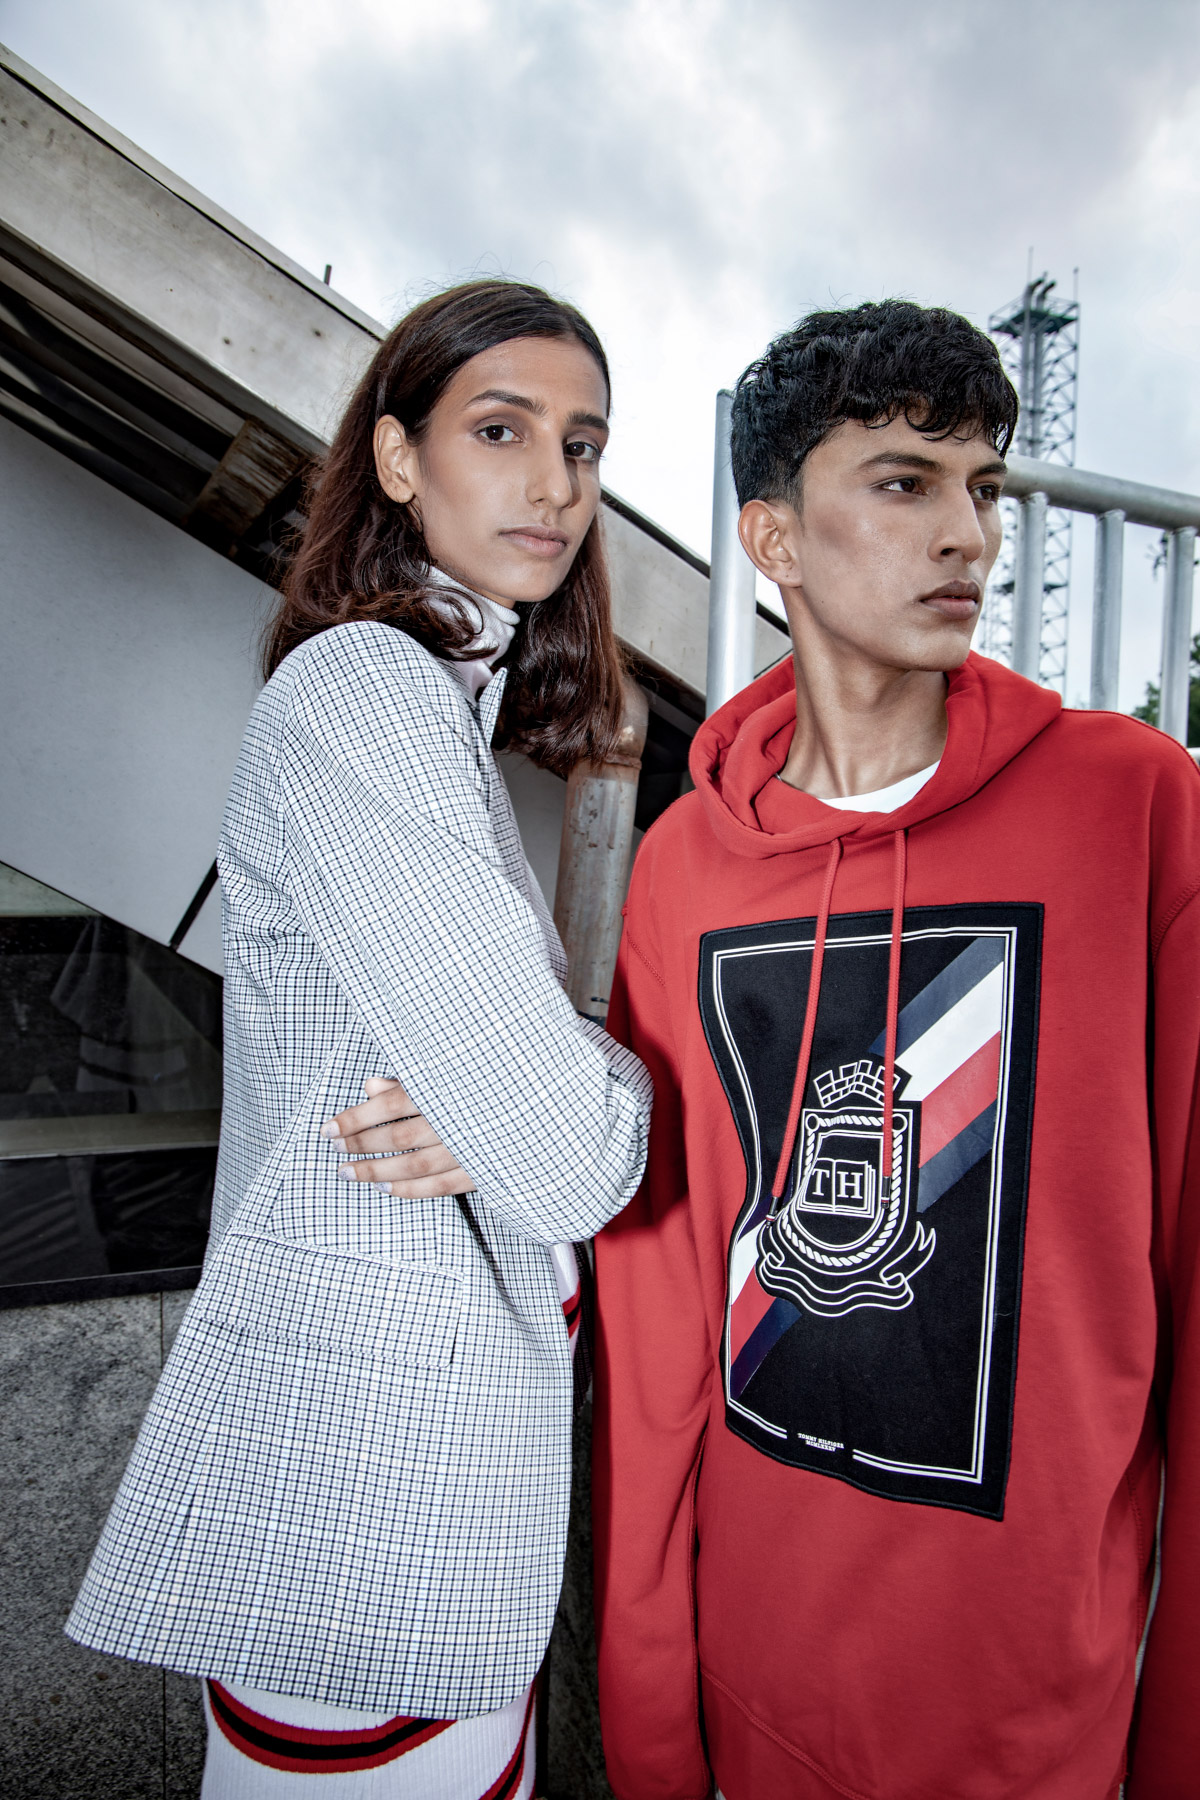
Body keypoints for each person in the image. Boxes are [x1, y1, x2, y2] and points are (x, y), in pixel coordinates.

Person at [592, 299, 1200, 1799]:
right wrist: (652, 1714)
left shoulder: (1134, 807)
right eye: (904, 482)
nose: (969, 536)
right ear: (776, 539)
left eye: (981, 487)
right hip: (756, 1674)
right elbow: (661, 1309)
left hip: (1035, 1712)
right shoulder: (682, 868)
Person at [67, 277, 652, 1799]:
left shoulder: (444, 710)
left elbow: (525, 1122)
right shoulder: (364, 690)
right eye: (501, 430)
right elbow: (570, 1158)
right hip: (368, 1487)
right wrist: (591, 1079)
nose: (554, 483)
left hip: (424, 1484)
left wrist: (520, 1093)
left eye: (583, 444)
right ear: (398, 457)